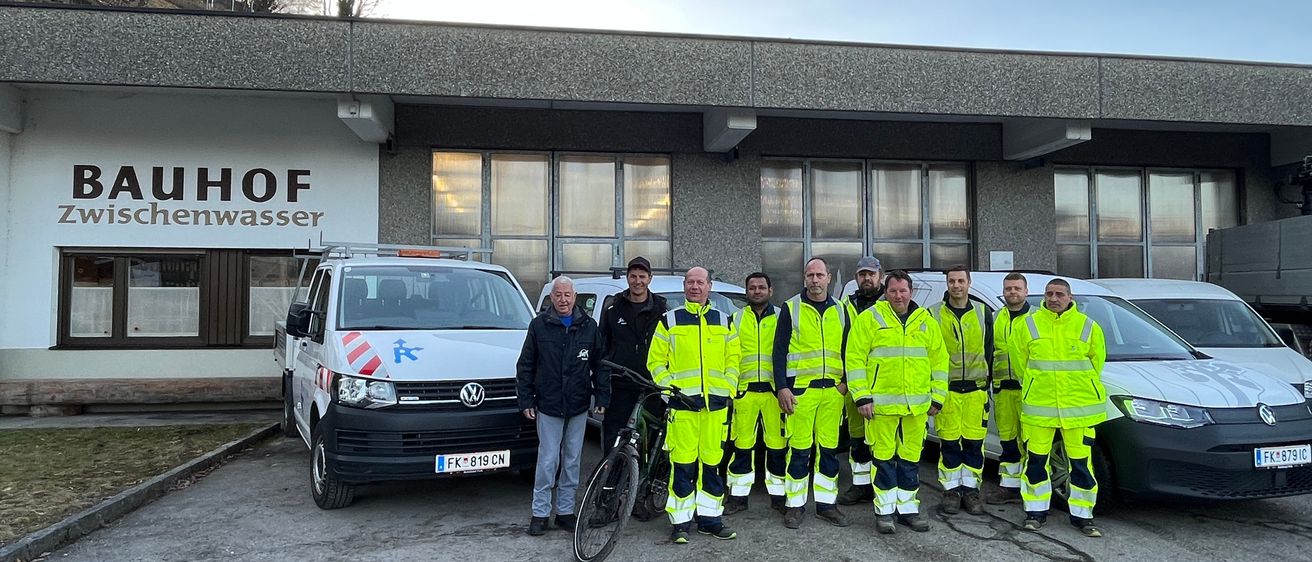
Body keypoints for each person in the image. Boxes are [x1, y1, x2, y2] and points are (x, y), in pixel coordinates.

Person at [845, 270, 947, 534]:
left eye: (903, 291)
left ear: (911, 292)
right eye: (893, 291)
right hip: (880, 406)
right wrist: (862, 396)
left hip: (916, 406)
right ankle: (885, 512)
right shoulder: (871, 319)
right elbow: (854, 359)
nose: (898, 296)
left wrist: (938, 396)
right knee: (884, 460)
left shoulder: (926, 321)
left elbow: (939, 362)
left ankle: (908, 511)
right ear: (885, 292)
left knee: (910, 461)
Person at [647, 267, 741, 544]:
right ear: (684, 286)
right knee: (682, 465)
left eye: (700, 282)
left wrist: (727, 390)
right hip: (683, 407)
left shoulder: (724, 321)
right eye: (690, 282)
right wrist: (670, 391)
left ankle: (710, 520)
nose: (695, 287)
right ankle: (680, 523)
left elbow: (734, 361)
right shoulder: (670, 321)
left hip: (715, 408)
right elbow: (655, 362)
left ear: (710, 286)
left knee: (712, 465)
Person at [1011, 278, 1107, 538]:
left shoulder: (1088, 326)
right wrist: (1035, 387)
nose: (1054, 299)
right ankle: (1035, 512)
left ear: (1069, 296)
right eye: (1050, 294)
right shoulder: (1027, 325)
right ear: (1043, 295)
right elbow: (1020, 364)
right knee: (1035, 463)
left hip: (1078, 409)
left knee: (1081, 465)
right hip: (1039, 408)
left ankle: (1083, 516)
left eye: (1060, 294)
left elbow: (1097, 364)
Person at [515, 276, 609, 536]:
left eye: (567, 295)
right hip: (548, 404)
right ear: (552, 297)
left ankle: (565, 512)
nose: (563, 300)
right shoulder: (539, 326)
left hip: (578, 405)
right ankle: (540, 513)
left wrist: (602, 398)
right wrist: (526, 399)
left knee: (572, 461)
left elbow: (600, 365)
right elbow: (525, 365)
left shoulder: (589, 326)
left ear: (575, 296)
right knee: (547, 461)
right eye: (558, 295)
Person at [773, 257, 850, 529]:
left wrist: (845, 384)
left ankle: (827, 505)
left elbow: (849, 352)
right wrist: (782, 386)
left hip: (832, 393)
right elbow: (779, 352)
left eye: (819, 275)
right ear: (804, 278)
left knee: (829, 452)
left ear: (829, 277)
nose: (814, 280)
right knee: (799, 451)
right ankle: (794, 506)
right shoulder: (790, 308)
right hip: (800, 394)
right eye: (810, 275)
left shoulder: (841, 310)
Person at [926, 265, 993, 516]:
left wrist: (988, 384)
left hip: (976, 391)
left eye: (961, 281)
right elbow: (929, 355)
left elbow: (990, 350)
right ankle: (951, 492)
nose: (956, 286)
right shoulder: (933, 314)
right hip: (948, 390)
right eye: (952, 281)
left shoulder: (983, 312)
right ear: (947, 284)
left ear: (969, 283)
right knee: (950, 444)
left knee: (975, 445)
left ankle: (971, 491)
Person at [724, 272, 786, 515]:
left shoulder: (783, 317)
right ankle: (738, 499)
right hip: (744, 393)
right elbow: (728, 357)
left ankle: (779, 498)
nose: (757, 291)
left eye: (762, 287)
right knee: (741, 448)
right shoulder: (736, 319)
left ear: (770, 291)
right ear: (746, 292)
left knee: (778, 448)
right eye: (752, 288)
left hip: (774, 393)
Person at [600, 256, 669, 457]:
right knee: (613, 438)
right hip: (620, 383)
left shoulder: (662, 310)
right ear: (627, 278)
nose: (637, 281)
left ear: (650, 278)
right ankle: (609, 483)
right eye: (633, 276)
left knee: (649, 438)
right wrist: (603, 387)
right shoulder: (613, 308)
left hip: (652, 386)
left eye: (642, 276)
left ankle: (641, 484)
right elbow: (602, 349)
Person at [837, 256, 884, 506]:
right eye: (862, 274)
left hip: (886, 385)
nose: (867, 279)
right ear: (856, 277)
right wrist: (844, 380)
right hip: (855, 384)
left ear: (881, 276)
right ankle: (861, 485)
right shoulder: (846, 305)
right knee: (858, 439)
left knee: (886, 441)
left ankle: (884, 486)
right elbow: (841, 345)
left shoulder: (894, 302)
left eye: (872, 274)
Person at [987, 272, 1033, 504]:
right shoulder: (995, 317)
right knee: (1007, 440)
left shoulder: (1037, 319)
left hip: (1030, 391)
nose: (1012, 292)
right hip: (1002, 389)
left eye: (1017, 288)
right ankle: (1009, 486)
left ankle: (1030, 487)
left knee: (1030, 441)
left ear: (1026, 291)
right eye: (1008, 289)